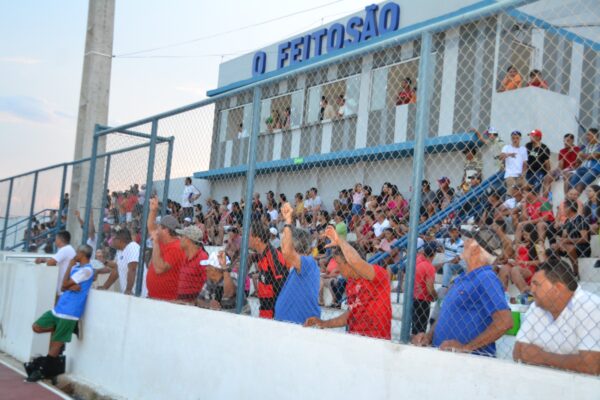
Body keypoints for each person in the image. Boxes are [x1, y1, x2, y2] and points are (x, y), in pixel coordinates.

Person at [412, 227, 513, 356]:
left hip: (469, 363)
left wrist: (467, 347)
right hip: (447, 357)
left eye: (469, 240)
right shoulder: (462, 277)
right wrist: (429, 336)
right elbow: (445, 312)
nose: (464, 242)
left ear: (476, 249)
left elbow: (505, 322)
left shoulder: (486, 277)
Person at [514, 258, 600, 375]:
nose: (531, 290)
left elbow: (592, 365)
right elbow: (518, 352)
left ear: (558, 288)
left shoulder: (591, 307)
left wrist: (542, 357)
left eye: (537, 285)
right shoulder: (536, 306)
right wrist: (569, 360)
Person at [304, 225, 392, 339]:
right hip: (354, 338)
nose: (337, 268)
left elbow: (356, 261)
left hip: (375, 340)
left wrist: (339, 240)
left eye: (339, 263)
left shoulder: (377, 274)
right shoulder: (350, 282)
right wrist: (323, 323)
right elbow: (351, 314)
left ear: (349, 263)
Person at [27, 245, 95, 382]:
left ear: (82, 254)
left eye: (77, 252)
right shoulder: (77, 268)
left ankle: (42, 371)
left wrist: (68, 281)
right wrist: (70, 272)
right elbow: (64, 285)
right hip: (59, 308)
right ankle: (70, 329)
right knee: (36, 326)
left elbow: (64, 285)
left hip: (70, 311)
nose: (75, 254)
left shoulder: (87, 270)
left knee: (56, 343)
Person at [275, 203, 320, 324]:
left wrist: (288, 221)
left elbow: (287, 251)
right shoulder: (299, 265)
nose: (284, 243)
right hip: (291, 325)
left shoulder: (309, 263)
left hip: (297, 326)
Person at [146, 197, 186, 300]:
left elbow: (160, 269)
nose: (156, 228)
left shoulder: (177, 247)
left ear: (165, 230)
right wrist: (153, 210)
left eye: (159, 226)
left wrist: (155, 243)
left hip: (167, 300)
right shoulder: (163, 240)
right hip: (155, 297)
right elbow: (151, 227)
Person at [249, 221, 288, 319]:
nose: (247, 238)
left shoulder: (273, 257)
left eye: (249, 235)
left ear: (257, 239)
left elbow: (282, 286)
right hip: (265, 308)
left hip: (274, 313)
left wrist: (275, 315)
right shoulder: (261, 255)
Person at [553, 200, 590, 279]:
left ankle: (575, 273)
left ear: (569, 208)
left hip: (582, 247)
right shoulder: (567, 220)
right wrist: (561, 241)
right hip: (569, 245)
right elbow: (564, 236)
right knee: (553, 246)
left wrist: (567, 241)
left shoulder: (580, 219)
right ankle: (562, 270)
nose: (562, 210)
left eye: (563, 208)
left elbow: (585, 239)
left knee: (569, 247)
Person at [98, 228, 140, 294]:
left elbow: (132, 269)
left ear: (120, 241)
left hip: (138, 294)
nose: (112, 241)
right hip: (128, 294)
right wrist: (105, 287)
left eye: (114, 239)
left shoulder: (133, 247)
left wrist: (128, 290)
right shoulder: (120, 251)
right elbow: (117, 270)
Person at [35, 230, 76, 297]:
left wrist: (43, 261)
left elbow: (51, 263)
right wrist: (44, 260)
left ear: (61, 239)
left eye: (56, 239)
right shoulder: (68, 249)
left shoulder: (65, 249)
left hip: (64, 289)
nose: (55, 241)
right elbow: (53, 261)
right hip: (65, 287)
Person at [174, 225, 208, 302]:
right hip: (182, 302)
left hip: (192, 305)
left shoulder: (202, 258)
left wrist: (195, 302)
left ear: (188, 240)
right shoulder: (186, 257)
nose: (180, 239)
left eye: (182, 236)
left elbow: (207, 285)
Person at [412, 242, 438, 335]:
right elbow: (430, 288)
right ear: (434, 254)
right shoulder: (429, 267)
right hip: (423, 299)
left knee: (415, 326)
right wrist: (436, 296)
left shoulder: (417, 262)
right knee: (421, 328)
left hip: (414, 296)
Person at [569, 128, 600, 194]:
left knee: (580, 184)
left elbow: (593, 156)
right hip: (583, 168)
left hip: (594, 169)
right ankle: (569, 201)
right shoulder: (585, 146)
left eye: (588, 135)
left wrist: (582, 155)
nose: (586, 137)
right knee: (570, 183)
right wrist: (581, 156)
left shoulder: (599, 146)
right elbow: (578, 160)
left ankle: (574, 202)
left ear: (595, 136)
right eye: (586, 135)